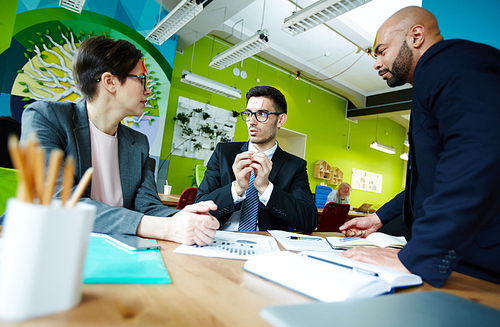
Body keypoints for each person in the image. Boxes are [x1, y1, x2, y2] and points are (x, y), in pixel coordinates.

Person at [339, 6, 500, 287]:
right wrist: (378, 218)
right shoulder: (433, 78)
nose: (377, 63)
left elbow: (477, 155)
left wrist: (417, 257)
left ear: (415, 36)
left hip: (482, 265)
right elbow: (430, 179)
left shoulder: (449, 62)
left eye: (382, 50)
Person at [19, 36, 219, 246]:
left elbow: (148, 206)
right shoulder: (46, 117)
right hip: (46, 246)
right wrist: (166, 228)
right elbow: (56, 202)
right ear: (110, 82)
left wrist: (179, 218)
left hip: (113, 249)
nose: (148, 90)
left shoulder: (138, 142)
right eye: (142, 79)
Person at [195, 86, 318, 233]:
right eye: (248, 114)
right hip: (220, 237)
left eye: (262, 114)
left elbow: (309, 221)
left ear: (280, 120)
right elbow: (199, 207)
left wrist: (266, 189)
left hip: (266, 245)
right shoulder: (224, 153)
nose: (252, 122)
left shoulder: (294, 166)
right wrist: (237, 188)